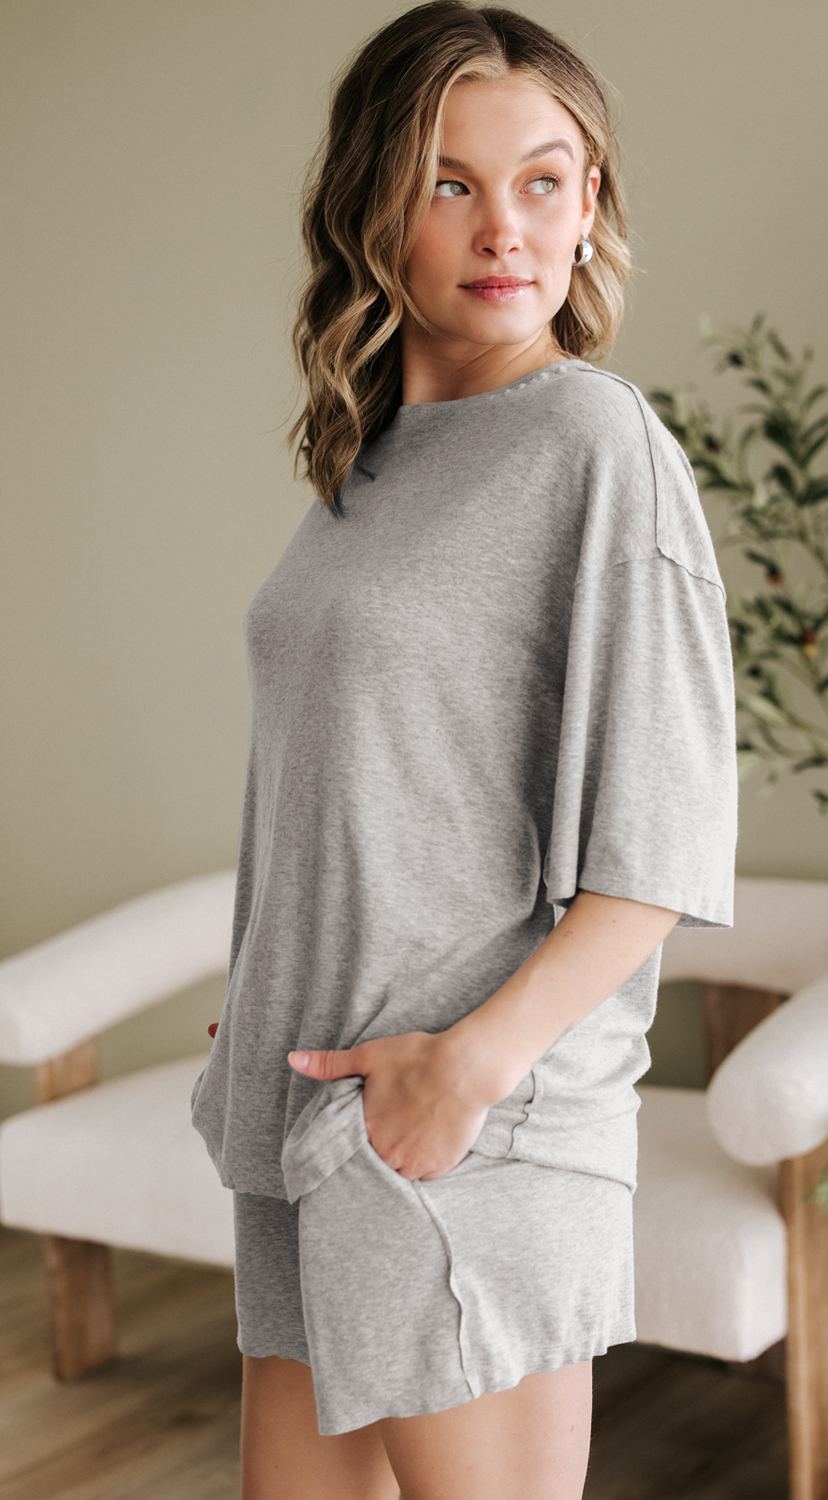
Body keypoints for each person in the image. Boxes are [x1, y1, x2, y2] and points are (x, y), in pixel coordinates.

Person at [191, 4, 738, 1496]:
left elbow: (666, 841)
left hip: (468, 1119)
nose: (506, 228)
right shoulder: (369, 463)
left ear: (590, 201)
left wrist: (465, 1070)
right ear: (374, 207)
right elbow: (357, 778)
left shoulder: (594, 444)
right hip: (320, 1098)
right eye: (451, 183)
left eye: (544, 181)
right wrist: (274, 980)